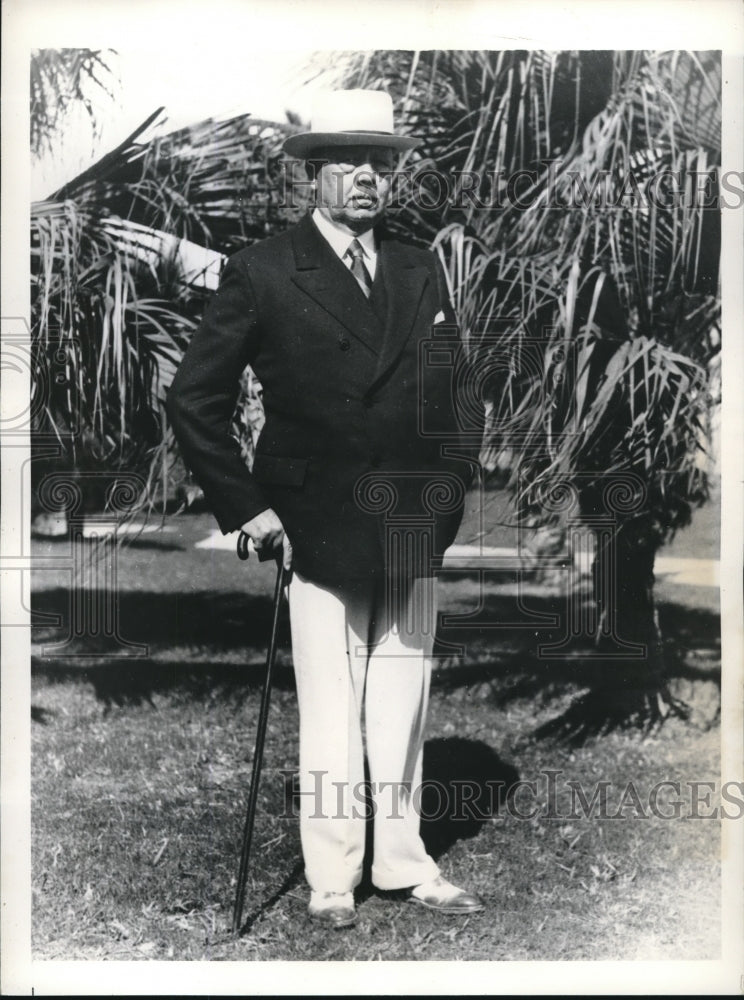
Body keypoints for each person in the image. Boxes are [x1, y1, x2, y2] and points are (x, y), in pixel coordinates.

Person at [167, 89, 484, 929]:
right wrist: (247, 510)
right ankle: (335, 875)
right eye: (346, 161)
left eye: (379, 161)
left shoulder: (420, 266)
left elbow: (457, 395)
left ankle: (406, 862)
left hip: (414, 519)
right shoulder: (266, 268)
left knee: (403, 698)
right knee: (333, 707)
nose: (366, 177)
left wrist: (450, 488)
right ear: (311, 175)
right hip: (314, 524)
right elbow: (194, 398)